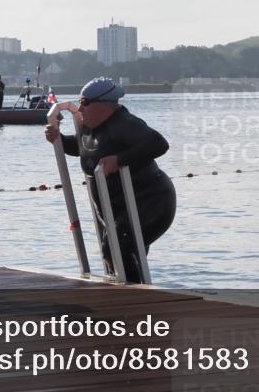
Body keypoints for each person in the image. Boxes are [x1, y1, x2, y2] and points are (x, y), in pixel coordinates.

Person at [44, 77, 175, 283]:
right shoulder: (88, 126)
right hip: (115, 206)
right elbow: (84, 150)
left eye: (85, 103)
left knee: (117, 246)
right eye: (79, 102)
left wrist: (119, 159)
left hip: (151, 201)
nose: (80, 108)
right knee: (117, 251)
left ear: (105, 105)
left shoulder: (125, 124)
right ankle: (131, 294)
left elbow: (159, 144)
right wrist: (59, 139)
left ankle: (133, 299)